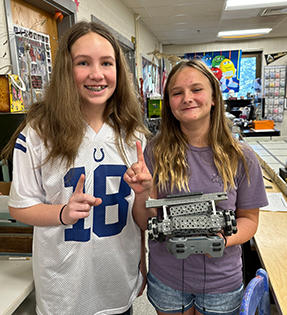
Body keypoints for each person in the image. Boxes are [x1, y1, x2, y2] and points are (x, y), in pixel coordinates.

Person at [2, 21, 150, 315]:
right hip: (63, 288)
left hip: (117, 280)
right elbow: (20, 207)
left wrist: (145, 193)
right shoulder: (38, 132)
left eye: (106, 63)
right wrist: (62, 213)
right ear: (66, 70)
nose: (97, 74)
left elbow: (142, 221)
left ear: (118, 70)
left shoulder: (135, 135)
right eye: (83, 63)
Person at [124, 59, 268, 315]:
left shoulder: (242, 156)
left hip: (221, 282)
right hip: (168, 278)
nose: (187, 98)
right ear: (168, 103)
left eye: (196, 90)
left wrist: (222, 240)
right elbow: (146, 223)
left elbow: (249, 220)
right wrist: (142, 193)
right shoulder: (155, 152)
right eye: (177, 93)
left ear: (214, 97)